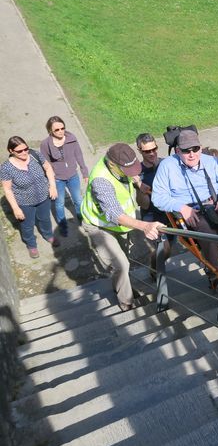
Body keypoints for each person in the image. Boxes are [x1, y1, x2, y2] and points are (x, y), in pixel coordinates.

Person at [151, 130, 218, 274]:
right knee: (206, 232)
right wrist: (181, 207)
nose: (192, 154)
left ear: (200, 148)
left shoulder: (210, 161)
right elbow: (158, 197)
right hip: (190, 212)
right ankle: (217, 273)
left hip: (215, 206)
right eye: (186, 150)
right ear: (177, 150)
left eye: (195, 149)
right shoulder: (167, 166)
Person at [81, 143, 164, 312]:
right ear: (112, 164)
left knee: (122, 261)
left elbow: (132, 177)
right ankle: (127, 303)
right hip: (99, 226)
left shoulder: (121, 164)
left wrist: (139, 183)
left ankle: (120, 285)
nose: (132, 172)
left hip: (120, 227)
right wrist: (145, 225)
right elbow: (115, 215)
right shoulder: (101, 181)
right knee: (121, 265)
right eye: (127, 170)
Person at [1, 136, 59, 258]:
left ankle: (48, 235)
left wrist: (52, 186)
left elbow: (48, 168)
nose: (24, 152)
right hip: (24, 202)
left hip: (44, 197)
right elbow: (7, 189)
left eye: (26, 149)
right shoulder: (6, 168)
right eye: (19, 151)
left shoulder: (34, 155)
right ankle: (31, 245)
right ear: (11, 151)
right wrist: (16, 208)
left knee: (45, 219)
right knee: (27, 225)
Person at [39, 116, 88, 237]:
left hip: (72, 175)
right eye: (57, 130)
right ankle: (62, 225)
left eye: (62, 128)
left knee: (78, 200)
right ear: (50, 131)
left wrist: (84, 172)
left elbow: (79, 155)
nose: (61, 131)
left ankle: (82, 220)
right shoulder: (45, 144)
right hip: (58, 178)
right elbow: (46, 164)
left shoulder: (71, 138)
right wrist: (51, 183)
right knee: (59, 203)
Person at [134, 133, 168, 226]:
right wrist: (140, 187)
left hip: (170, 209)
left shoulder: (167, 164)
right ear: (139, 150)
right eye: (147, 151)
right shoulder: (138, 173)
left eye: (154, 149)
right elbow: (144, 205)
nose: (152, 153)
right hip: (152, 213)